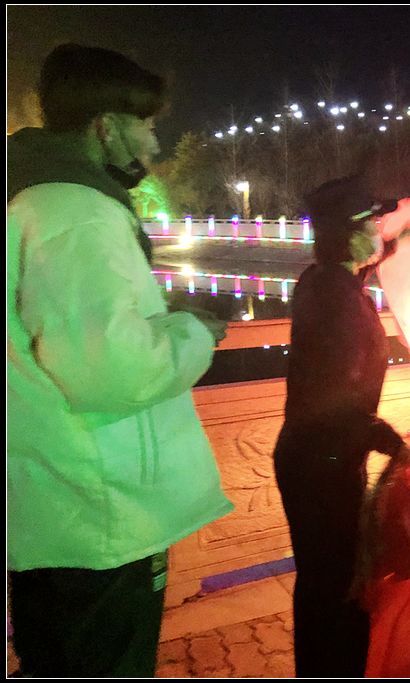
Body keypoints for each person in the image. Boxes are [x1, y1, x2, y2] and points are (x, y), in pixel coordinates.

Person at [7, 44, 232, 677]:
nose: (155, 144)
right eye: (147, 124)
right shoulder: (76, 213)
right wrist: (194, 333)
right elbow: (111, 370)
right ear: (106, 126)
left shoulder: (34, 202)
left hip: (59, 506)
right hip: (102, 513)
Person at [272, 175, 410, 678]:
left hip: (317, 456)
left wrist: (397, 243)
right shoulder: (338, 303)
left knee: (323, 581)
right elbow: (335, 399)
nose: (379, 231)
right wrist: (390, 440)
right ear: (348, 236)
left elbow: (359, 267)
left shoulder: (326, 279)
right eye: (372, 224)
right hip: (323, 463)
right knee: (337, 586)